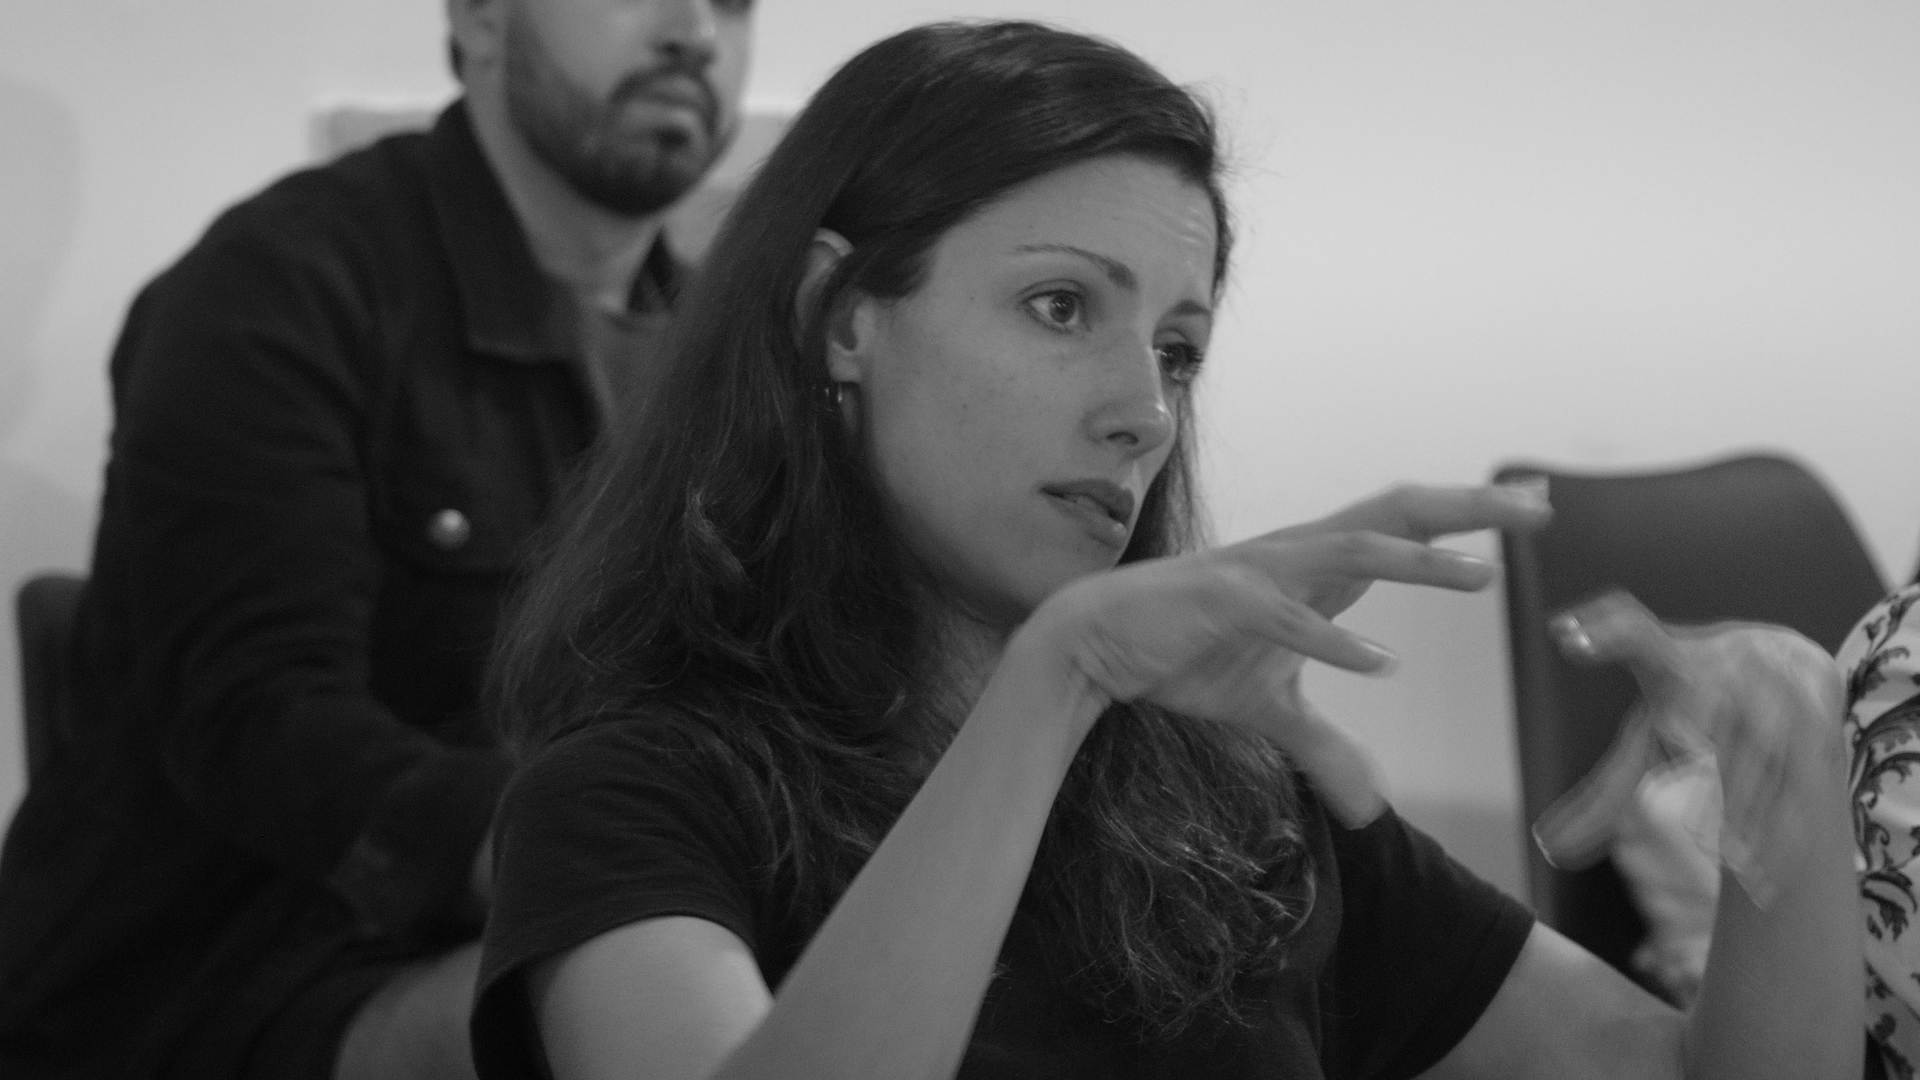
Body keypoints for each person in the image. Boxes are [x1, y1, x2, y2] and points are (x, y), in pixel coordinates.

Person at [473, 21, 1862, 1080]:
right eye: (1062, 304)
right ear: (841, 315)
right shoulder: (631, 799)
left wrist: (1789, 782)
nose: (1142, 412)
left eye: (1178, 350)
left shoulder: (1227, 794)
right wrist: (1052, 678)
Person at [0, 1, 752, 1077]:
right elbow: (261, 719)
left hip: (572, 900)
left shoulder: (718, 355)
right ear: (484, 19)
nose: (693, 28)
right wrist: (613, 867)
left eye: (734, 1)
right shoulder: (281, 281)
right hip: (232, 972)